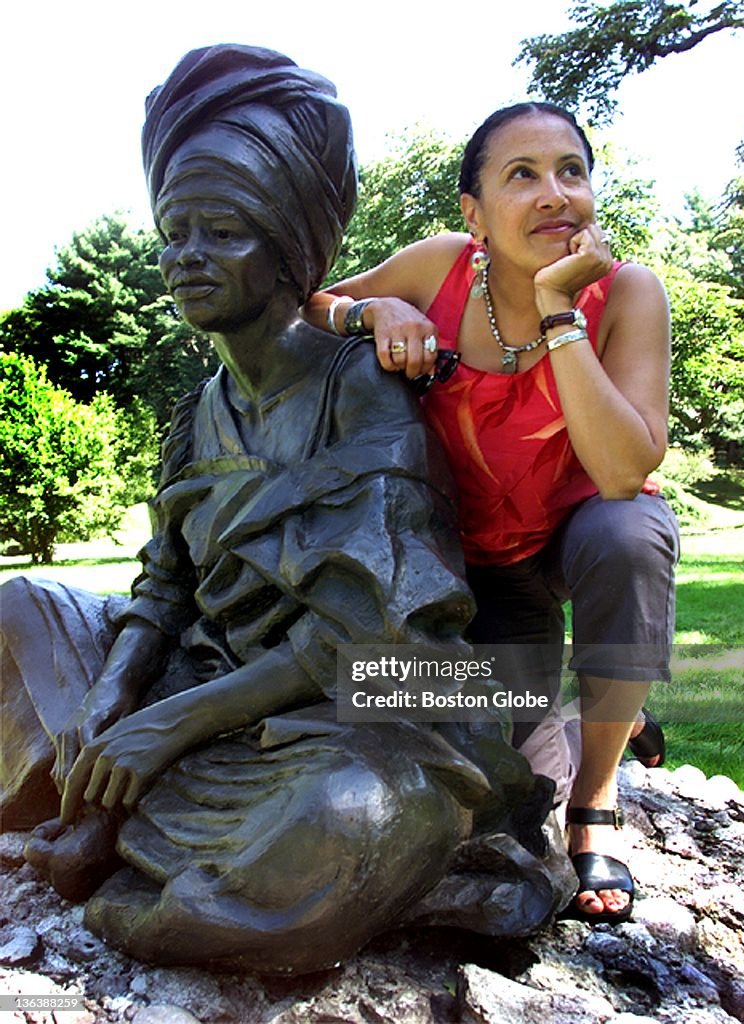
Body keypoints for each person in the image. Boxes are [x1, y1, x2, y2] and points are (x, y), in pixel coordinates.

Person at [0, 49, 568, 974]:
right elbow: (165, 587)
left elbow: (380, 632)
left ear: (287, 251)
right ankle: (102, 796)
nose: (186, 257)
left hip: (364, 700)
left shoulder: (364, 389)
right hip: (202, 672)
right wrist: (117, 694)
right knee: (19, 611)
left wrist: (169, 725)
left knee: (354, 817)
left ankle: (116, 839)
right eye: (173, 232)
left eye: (219, 232)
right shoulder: (197, 411)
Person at [302, 101, 680, 924]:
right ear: (472, 213)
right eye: (522, 175)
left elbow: (621, 472)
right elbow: (306, 306)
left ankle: (597, 801)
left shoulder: (628, 296)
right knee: (435, 722)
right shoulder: (436, 266)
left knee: (631, 534)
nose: (553, 194)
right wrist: (374, 311)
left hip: (574, 541)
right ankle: (600, 715)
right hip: (470, 576)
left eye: (570, 172)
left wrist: (558, 312)